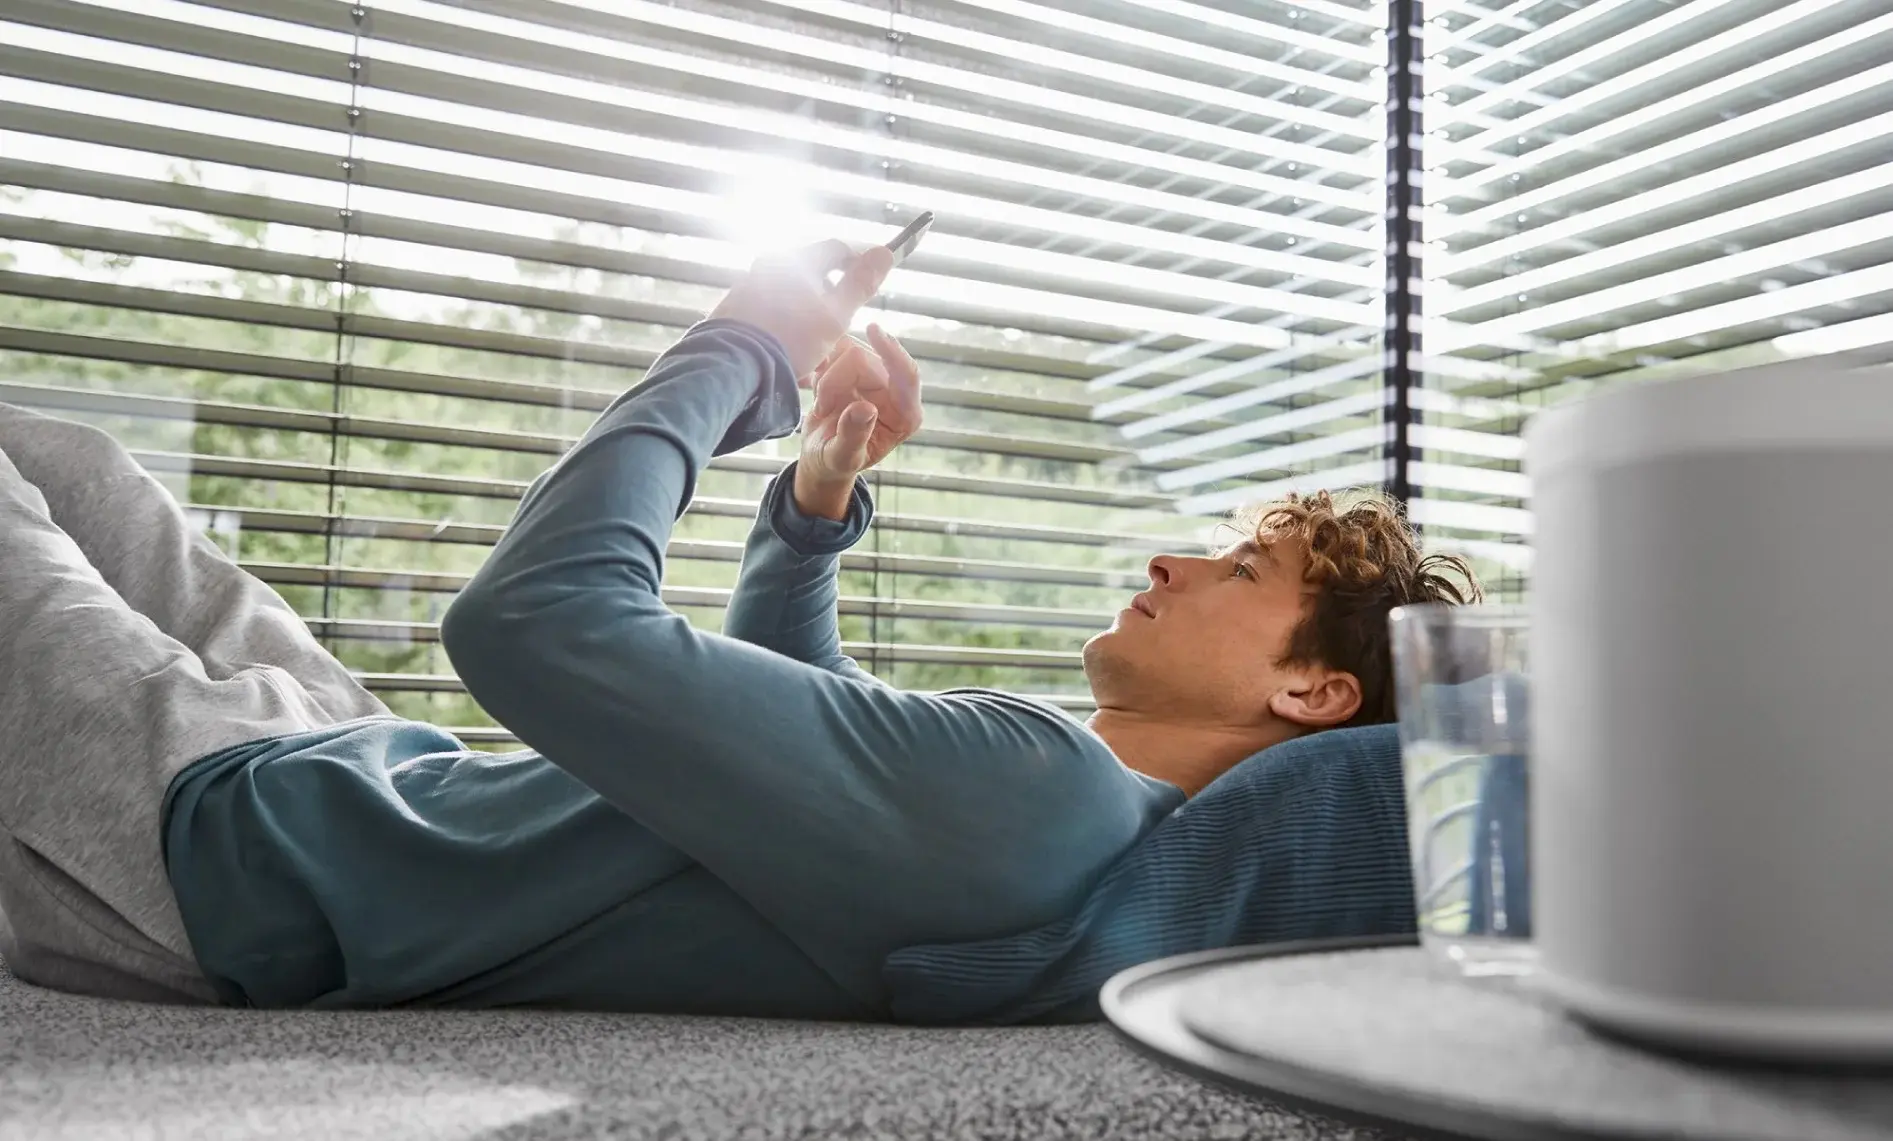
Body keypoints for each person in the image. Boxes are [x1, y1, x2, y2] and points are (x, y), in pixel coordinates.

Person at [0, 241, 1481, 1018]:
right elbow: (784, 735)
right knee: (81, 464)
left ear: (1313, 691)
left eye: (1239, 566)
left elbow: (533, 622)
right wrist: (816, 499)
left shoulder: (1045, 806)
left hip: (214, 858)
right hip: (346, 772)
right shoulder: (1052, 825)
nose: (1177, 554)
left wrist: (740, 352)